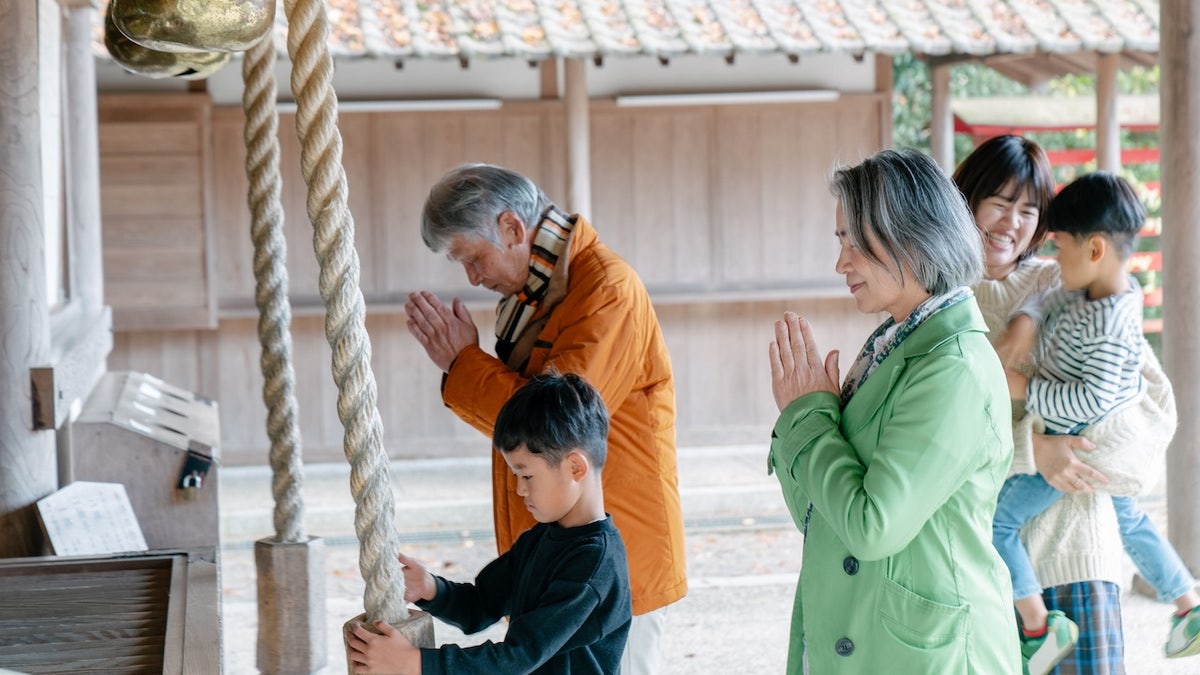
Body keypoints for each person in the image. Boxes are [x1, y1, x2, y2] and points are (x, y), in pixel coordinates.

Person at [403, 163, 686, 674]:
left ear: (513, 228)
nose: (472, 277)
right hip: (555, 544)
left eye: (473, 258)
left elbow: (553, 422)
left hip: (616, 559)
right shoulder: (536, 300)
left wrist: (463, 365)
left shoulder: (606, 290)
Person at [766, 148, 1020, 673]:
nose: (841, 262)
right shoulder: (892, 347)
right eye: (840, 242)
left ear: (913, 234)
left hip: (933, 650)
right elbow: (819, 516)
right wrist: (801, 415)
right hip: (866, 629)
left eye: (855, 242)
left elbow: (870, 526)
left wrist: (810, 419)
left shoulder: (954, 368)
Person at [954, 134, 1183, 674]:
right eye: (1001, 203)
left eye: (1030, 210)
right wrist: (1033, 446)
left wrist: (1082, 447)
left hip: (1078, 555)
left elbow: (1153, 409)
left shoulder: (1075, 280)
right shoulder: (939, 297)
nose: (1014, 222)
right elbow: (936, 432)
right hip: (977, 568)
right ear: (966, 200)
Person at [346, 372, 633, 674]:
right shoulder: (540, 539)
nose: (520, 489)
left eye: (527, 475)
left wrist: (416, 663)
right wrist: (432, 589)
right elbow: (481, 605)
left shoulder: (594, 565)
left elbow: (519, 657)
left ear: (575, 467)